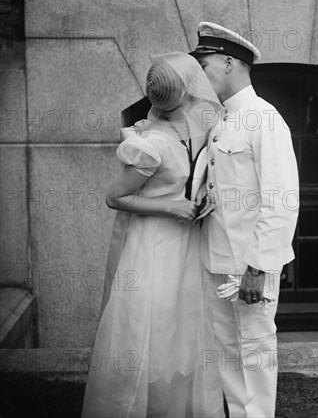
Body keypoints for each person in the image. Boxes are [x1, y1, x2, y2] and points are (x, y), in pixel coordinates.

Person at [81, 52, 225, 418]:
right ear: (189, 92)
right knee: (153, 330)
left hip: (185, 246)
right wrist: (171, 207)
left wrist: (203, 196)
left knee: (182, 330)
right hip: (153, 248)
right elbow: (115, 197)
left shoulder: (194, 132)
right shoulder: (152, 143)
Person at [190, 22, 300, 418]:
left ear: (228, 62)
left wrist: (259, 267)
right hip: (216, 258)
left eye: (204, 66)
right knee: (227, 355)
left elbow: (282, 200)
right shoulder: (220, 120)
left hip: (249, 264)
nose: (199, 76)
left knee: (254, 352)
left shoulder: (265, 119)